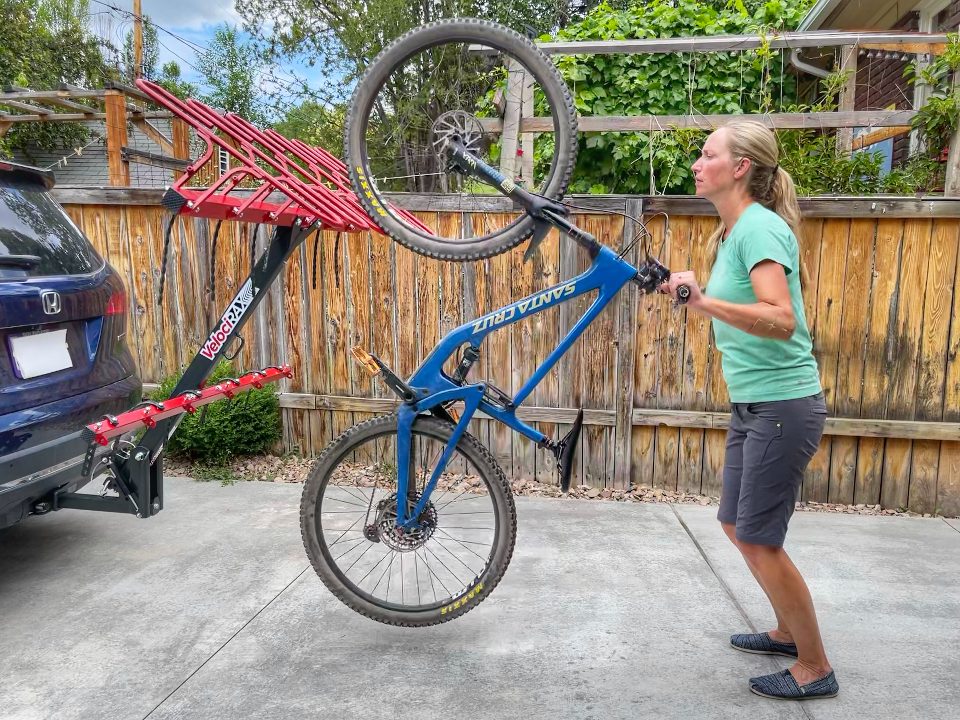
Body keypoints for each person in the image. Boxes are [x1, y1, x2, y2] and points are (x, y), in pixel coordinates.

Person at [658, 120, 837, 701]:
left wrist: (704, 300)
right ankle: (788, 633)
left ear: (739, 168)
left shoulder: (759, 228)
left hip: (783, 406)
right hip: (756, 405)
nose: (696, 163)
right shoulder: (735, 232)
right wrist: (690, 289)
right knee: (738, 525)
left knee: (760, 538)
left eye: (707, 155)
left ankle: (815, 667)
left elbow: (780, 319)